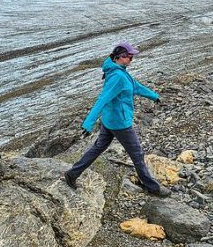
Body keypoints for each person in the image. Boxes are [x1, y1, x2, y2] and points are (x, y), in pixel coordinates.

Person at [63, 41, 171, 197]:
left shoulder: (119, 71)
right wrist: (88, 124)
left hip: (109, 120)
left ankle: (72, 174)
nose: (132, 60)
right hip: (120, 123)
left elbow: (136, 86)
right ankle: (153, 187)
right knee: (137, 154)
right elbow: (103, 99)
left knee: (98, 147)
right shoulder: (118, 77)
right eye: (130, 57)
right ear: (121, 57)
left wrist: (154, 96)